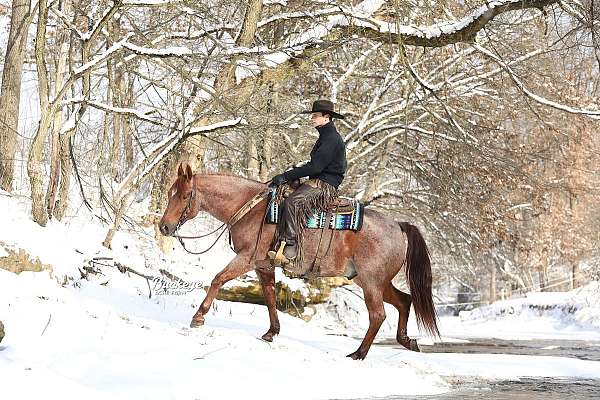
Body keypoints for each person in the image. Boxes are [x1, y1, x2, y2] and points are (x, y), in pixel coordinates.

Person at [268, 99, 347, 265]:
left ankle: (291, 246)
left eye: (315, 115)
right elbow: (315, 165)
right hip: (318, 180)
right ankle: (277, 243)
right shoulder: (325, 135)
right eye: (312, 115)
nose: (312, 118)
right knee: (283, 196)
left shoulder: (331, 138)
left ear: (327, 117)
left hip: (325, 185)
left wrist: (286, 176)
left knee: (292, 202)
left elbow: (316, 167)